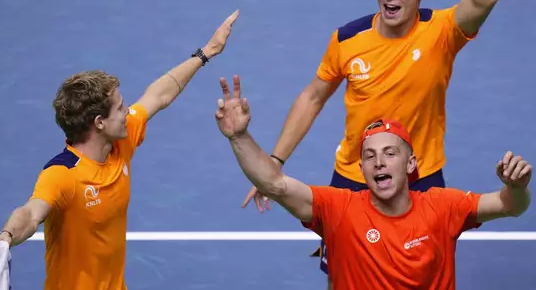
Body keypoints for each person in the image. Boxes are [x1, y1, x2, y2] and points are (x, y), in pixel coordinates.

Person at [241, 0, 500, 283]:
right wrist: (275, 160)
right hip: (353, 176)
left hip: (421, 175)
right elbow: (314, 96)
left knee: (425, 273)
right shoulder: (349, 39)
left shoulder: (442, 32)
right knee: (342, 272)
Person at [0, 10, 239, 290]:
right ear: (99, 123)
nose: (127, 111)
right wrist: (8, 235)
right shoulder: (62, 174)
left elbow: (159, 94)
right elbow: (31, 213)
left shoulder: (119, 140)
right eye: (120, 107)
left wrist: (207, 52)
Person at [217, 75, 531, 290]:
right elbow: (275, 185)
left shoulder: (443, 206)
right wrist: (239, 137)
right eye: (369, 156)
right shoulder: (338, 208)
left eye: (389, 153)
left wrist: (516, 188)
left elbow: (509, 206)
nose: (378, 162)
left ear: (410, 164)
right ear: (362, 169)